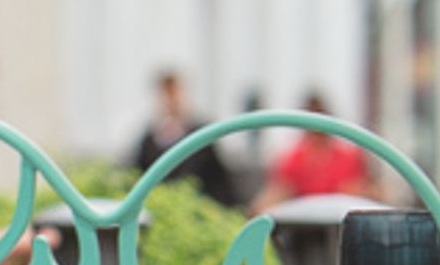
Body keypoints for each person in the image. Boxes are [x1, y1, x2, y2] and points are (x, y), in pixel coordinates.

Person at [131, 69, 245, 208]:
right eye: (166, 94)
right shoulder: (150, 139)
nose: (170, 100)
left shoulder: (202, 134)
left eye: (174, 93)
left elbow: (219, 179)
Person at [260, 92, 365, 205]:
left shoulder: (348, 157)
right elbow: (278, 191)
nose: (316, 131)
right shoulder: (294, 158)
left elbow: (360, 191)